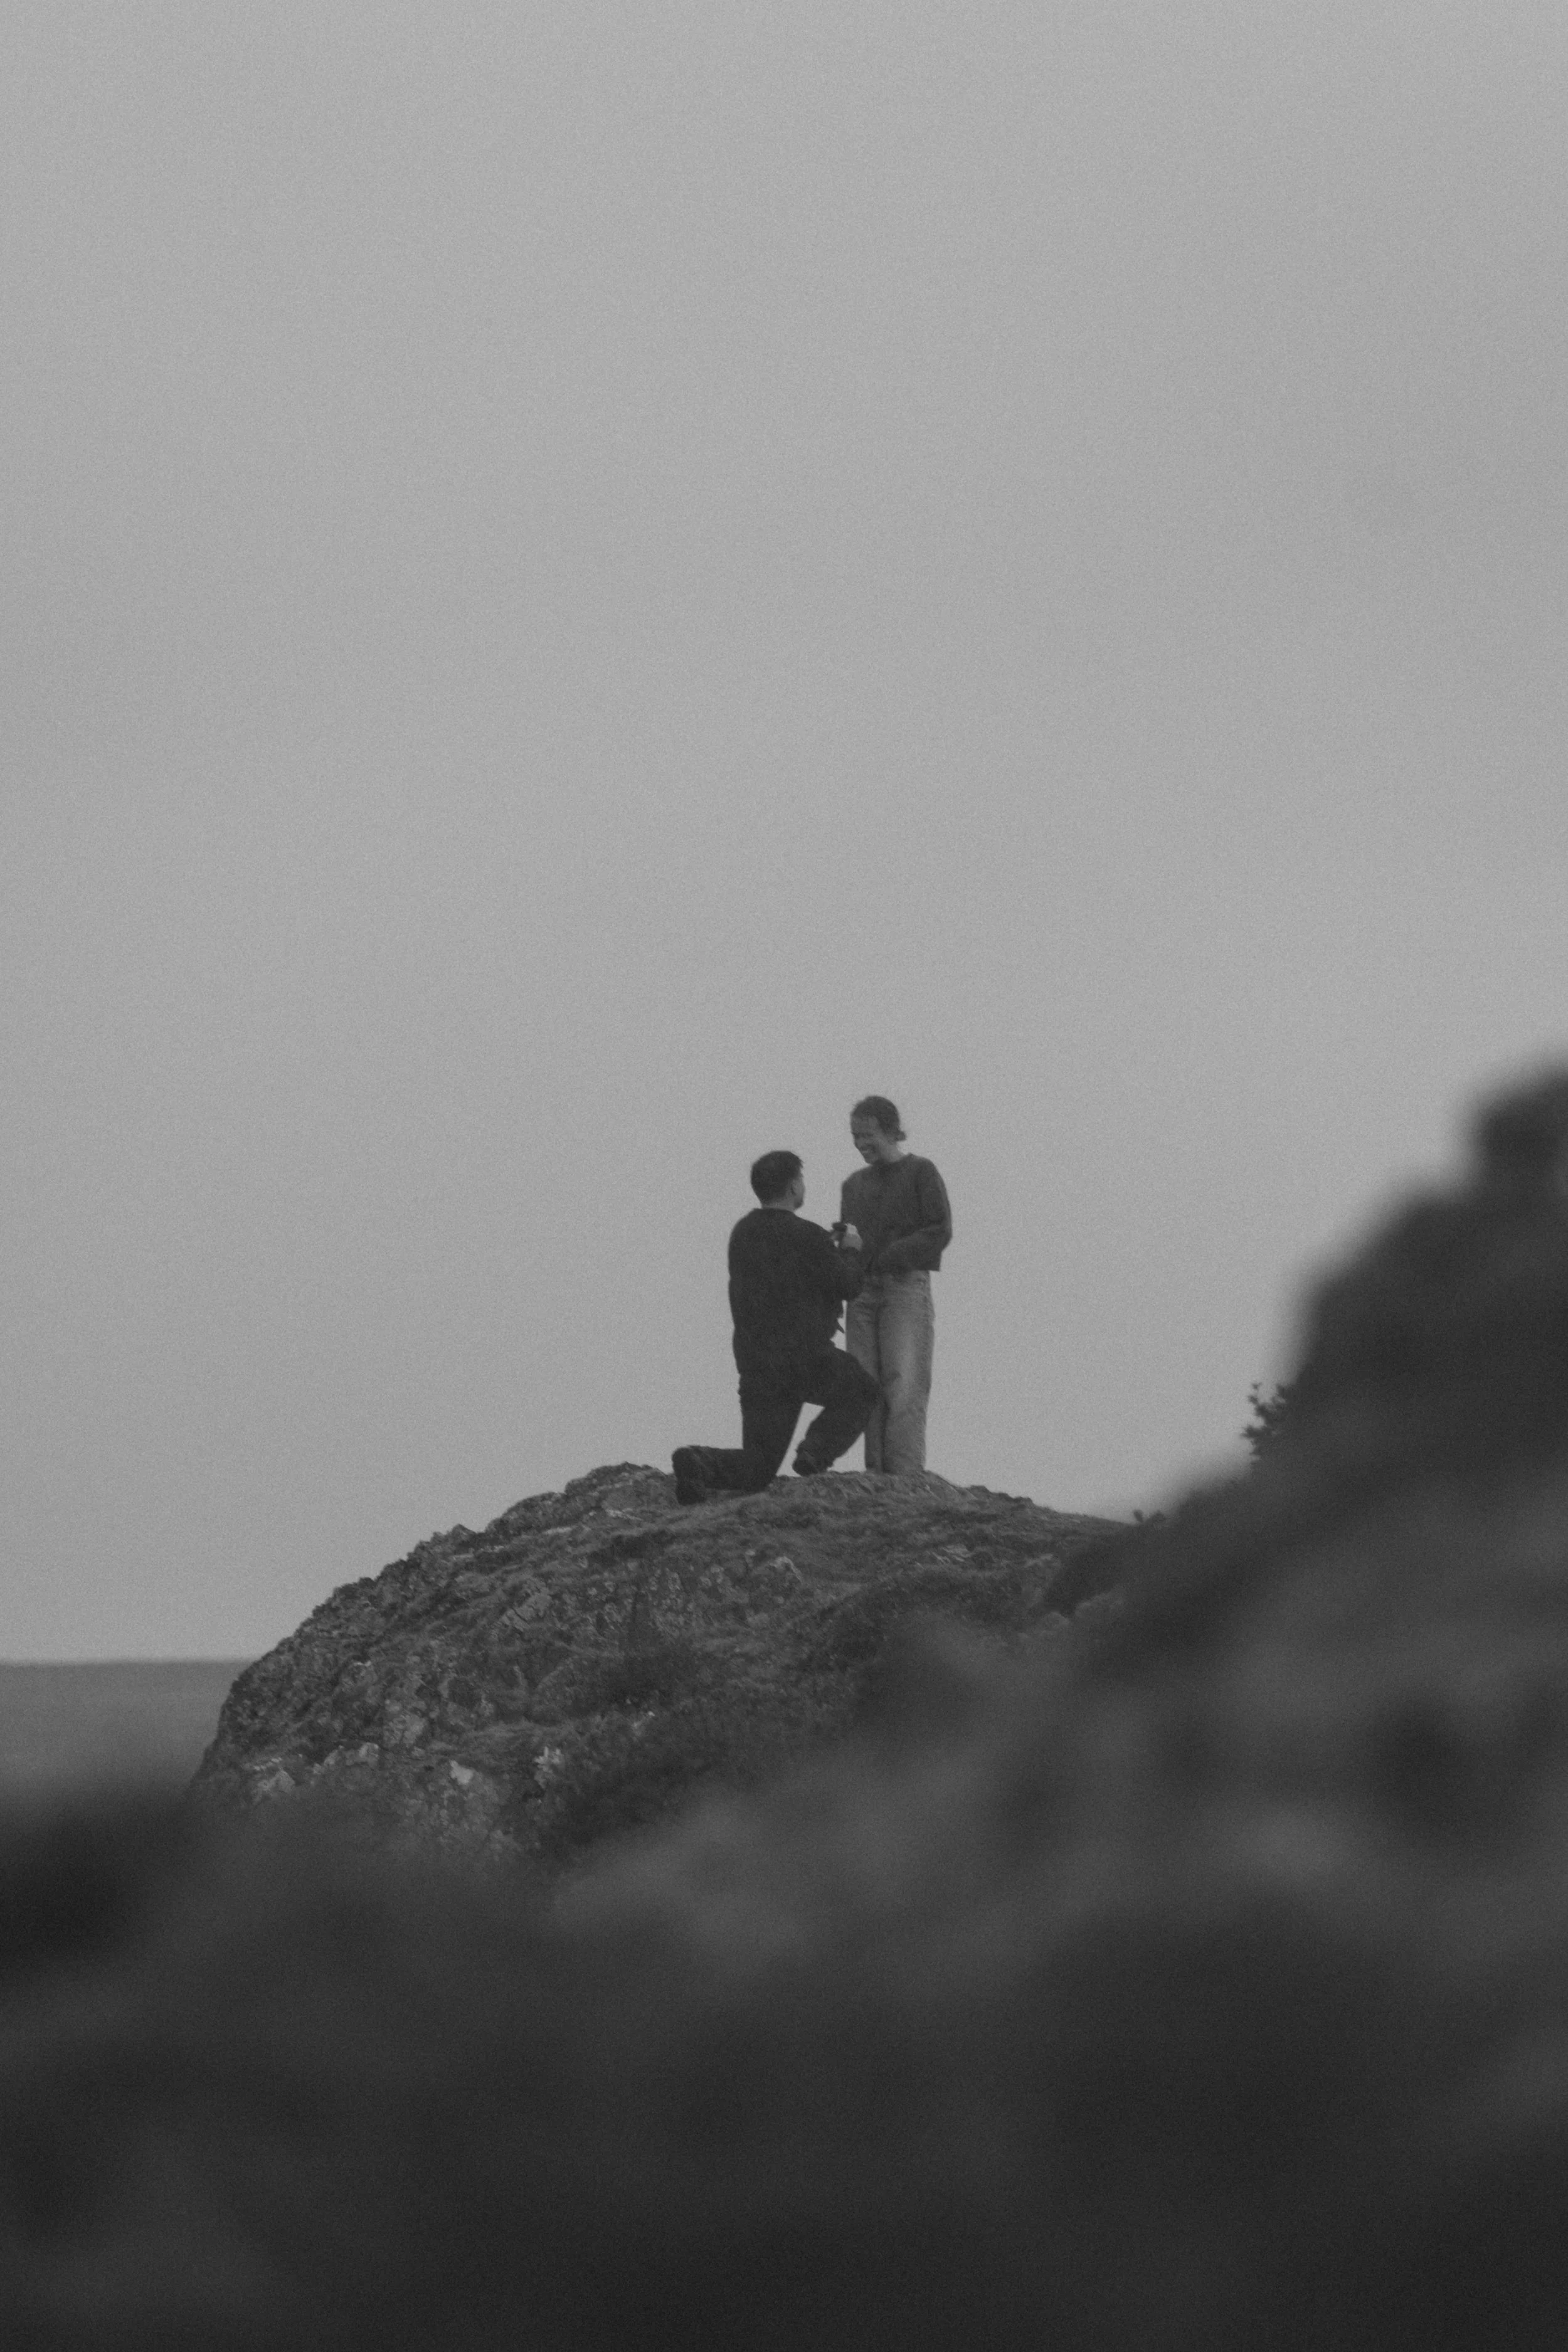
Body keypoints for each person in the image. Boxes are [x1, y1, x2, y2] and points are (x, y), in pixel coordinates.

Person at [672, 1150, 879, 1503]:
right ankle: (814, 1454)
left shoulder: (743, 1233)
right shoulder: (809, 1236)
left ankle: (699, 1464)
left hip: (757, 1364)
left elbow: (784, 1268)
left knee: (758, 1468)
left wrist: (825, 1249)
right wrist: (850, 1250)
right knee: (862, 1390)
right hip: (806, 1359)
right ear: (794, 1186)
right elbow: (847, 1285)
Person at [840, 1096, 952, 1474]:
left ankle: (904, 1478)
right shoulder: (852, 1186)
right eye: (855, 1136)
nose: (860, 1143)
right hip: (861, 1293)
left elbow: (940, 1229)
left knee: (903, 1383)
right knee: (866, 1386)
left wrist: (891, 1255)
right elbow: (852, 1243)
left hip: (905, 1287)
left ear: (890, 1131)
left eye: (866, 1135)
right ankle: (877, 1477)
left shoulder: (921, 1171)